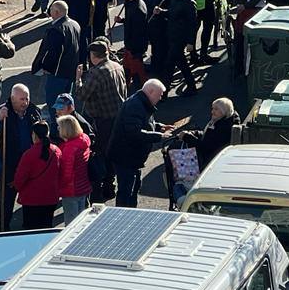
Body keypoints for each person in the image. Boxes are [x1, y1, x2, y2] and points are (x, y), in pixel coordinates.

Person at [108, 80, 172, 208]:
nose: (161, 98)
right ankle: (122, 218)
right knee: (126, 192)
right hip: (125, 158)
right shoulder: (135, 106)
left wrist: (159, 127)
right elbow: (134, 132)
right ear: (150, 92)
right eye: (159, 95)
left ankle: (129, 213)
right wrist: (159, 136)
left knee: (133, 188)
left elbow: (144, 123)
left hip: (131, 158)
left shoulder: (142, 103)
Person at [76, 40, 126, 199]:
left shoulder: (96, 72)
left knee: (102, 154)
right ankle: (111, 184)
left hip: (103, 120)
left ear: (92, 55)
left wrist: (78, 79)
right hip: (118, 117)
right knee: (113, 152)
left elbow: (82, 95)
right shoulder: (117, 66)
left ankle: (103, 187)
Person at [0, 83, 43, 230]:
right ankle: (3, 225)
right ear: (12, 98)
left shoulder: (34, 112)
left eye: (27, 99)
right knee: (6, 199)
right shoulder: (2, 112)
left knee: (30, 197)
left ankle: (29, 226)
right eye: (21, 99)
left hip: (30, 165)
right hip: (9, 165)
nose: (25, 102)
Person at [31, 0, 81, 121]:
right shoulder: (75, 25)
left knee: (55, 106)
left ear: (57, 12)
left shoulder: (56, 30)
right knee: (67, 105)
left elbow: (51, 53)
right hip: (70, 72)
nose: (50, 12)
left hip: (57, 74)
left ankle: (56, 133)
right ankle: (68, 130)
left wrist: (45, 68)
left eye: (52, 10)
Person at [154, 0, 198, 95]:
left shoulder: (188, 3)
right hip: (172, 35)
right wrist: (162, 11)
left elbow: (192, 24)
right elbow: (172, 14)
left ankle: (163, 92)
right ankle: (191, 86)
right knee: (181, 63)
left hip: (180, 38)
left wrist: (190, 42)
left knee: (169, 65)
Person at [13, 121, 62, 230]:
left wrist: (16, 186)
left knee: (30, 230)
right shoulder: (56, 151)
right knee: (46, 228)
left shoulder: (29, 154)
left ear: (34, 135)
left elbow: (20, 178)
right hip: (51, 197)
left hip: (31, 199)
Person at [181, 97, 240, 170]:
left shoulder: (222, 128)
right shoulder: (221, 121)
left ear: (224, 111)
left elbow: (206, 147)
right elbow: (207, 136)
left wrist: (187, 137)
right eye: (212, 108)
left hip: (211, 161)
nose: (212, 111)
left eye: (216, 109)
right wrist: (195, 133)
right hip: (212, 156)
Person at [57, 115, 92, 224]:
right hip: (83, 186)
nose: (58, 129)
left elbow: (66, 173)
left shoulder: (69, 148)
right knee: (81, 219)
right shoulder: (83, 140)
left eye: (59, 126)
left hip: (71, 189)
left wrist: (58, 186)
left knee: (71, 223)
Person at [114, 0, 148, 91]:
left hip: (135, 47)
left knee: (137, 73)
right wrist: (122, 20)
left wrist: (133, 49)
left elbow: (139, 31)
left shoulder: (138, 9)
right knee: (127, 68)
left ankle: (143, 91)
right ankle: (126, 87)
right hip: (130, 46)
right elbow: (131, 22)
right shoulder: (130, 3)